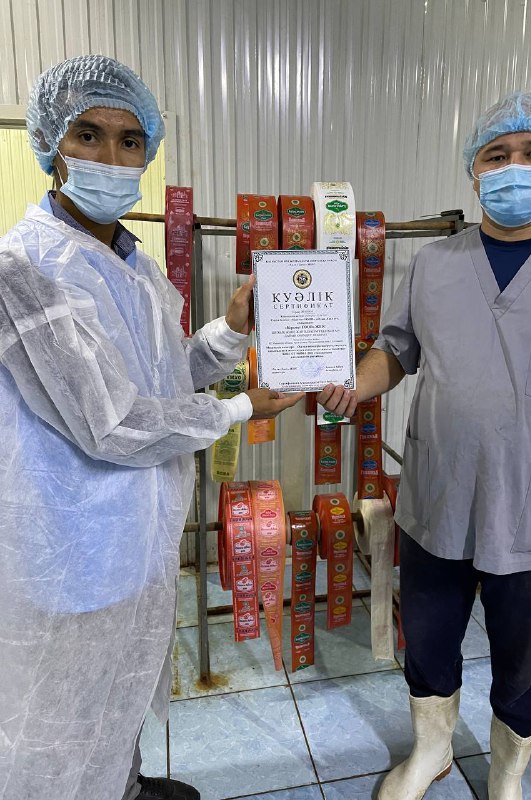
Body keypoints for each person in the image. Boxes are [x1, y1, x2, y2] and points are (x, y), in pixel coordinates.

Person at [0, 55, 302, 800]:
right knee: (63, 717)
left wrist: (231, 332)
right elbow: (112, 423)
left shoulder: (130, 263)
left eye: (130, 140)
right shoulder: (25, 268)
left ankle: (125, 787)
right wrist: (242, 408)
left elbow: (161, 378)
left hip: (138, 530)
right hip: (74, 541)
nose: (111, 156)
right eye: (88, 135)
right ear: (51, 146)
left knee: (120, 688)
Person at [318, 91, 531, 800]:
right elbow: (395, 352)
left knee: (527, 663)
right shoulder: (435, 265)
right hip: (437, 499)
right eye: (496, 155)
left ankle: (507, 775)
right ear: (474, 170)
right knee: (430, 639)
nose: (514, 166)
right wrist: (353, 384)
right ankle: (432, 751)